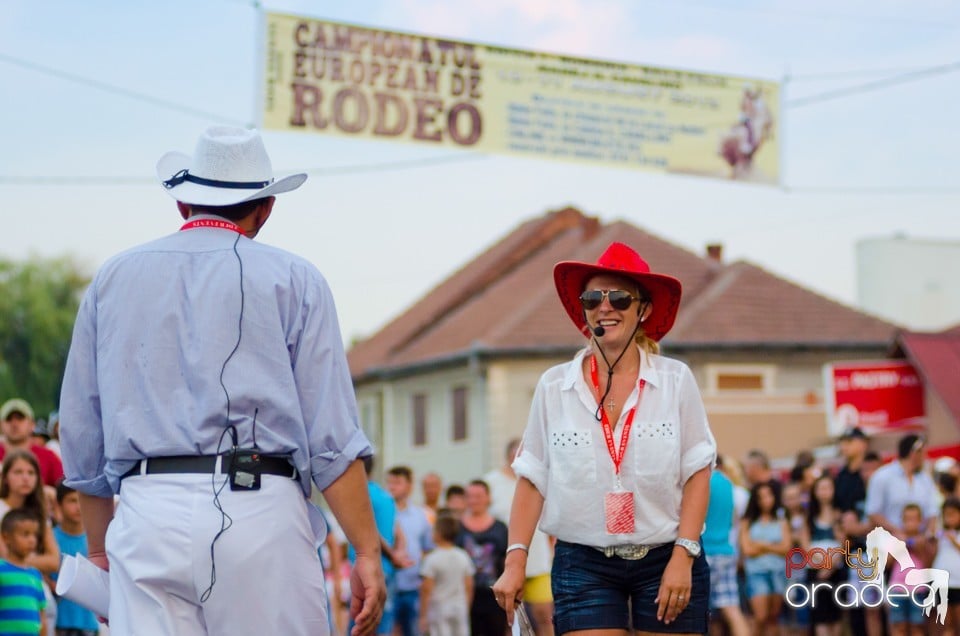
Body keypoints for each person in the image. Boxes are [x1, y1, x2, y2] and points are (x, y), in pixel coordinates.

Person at [58, 126, 385, 636]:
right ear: (265, 208)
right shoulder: (296, 279)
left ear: (183, 204)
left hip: (147, 509)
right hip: (260, 509)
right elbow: (332, 439)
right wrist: (366, 550)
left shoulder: (112, 278)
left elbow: (82, 434)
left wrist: (99, 550)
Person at [493, 242, 717, 635]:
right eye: (593, 298)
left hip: (666, 554)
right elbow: (532, 478)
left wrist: (684, 554)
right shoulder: (553, 387)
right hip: (583, 562)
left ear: (643, 309)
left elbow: (699, 470)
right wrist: (515, 562)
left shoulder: (675, 380)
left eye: (619, 298)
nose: (604, 307)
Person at [484, 438, 554, 636]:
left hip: (539, 559)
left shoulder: (542, 479)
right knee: (509, 619)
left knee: (545, 615)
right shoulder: (492, 482)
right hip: (505, 561)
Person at [385, 465, 434, 636]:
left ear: (409, 486)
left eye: (397, 482)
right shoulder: (383, 514)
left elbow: (428, 549)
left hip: (414, 588)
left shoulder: (420, 515)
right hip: (387, 587)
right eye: (389, 482)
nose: (392, 487)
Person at [703, 461, 749, 636]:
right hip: (725, 550)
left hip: (705, 550)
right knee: (732, 609)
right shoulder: (726, 482)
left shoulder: (703, 480)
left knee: (698, 611)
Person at [457, 479, 508, 636]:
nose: (473, 501)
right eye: (469, 496)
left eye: (478, 496)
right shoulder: (457, 527)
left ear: (488, 498)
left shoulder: (500, 527)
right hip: (464, 596)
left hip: (495, 598)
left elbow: (507, 561)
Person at [740, 482, 790, 636]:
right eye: (761, 497)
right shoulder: (747, 523)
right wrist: (774, 546)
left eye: (768, 496)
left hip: (777, 572)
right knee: (760, 616)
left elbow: (785, 548)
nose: (765, 500)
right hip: (756, 572)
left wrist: (762, 545)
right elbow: (748, 550)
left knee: (773, 617)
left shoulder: (781, 521)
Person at [865, 434, 938, 538]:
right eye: (923, 453)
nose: (925, 457)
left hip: (920, 545)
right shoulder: (882, 476)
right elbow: (873, 513)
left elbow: (932, 512)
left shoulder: (925, 479)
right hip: (890, 544)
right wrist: (897, 532)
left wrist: (928, 536)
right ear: (914, 453)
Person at [51, 482, 99, 636]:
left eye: (81, 500)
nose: (78, 506)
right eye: (72, 500)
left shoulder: (97, 539)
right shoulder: (50, 539)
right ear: (58, 504)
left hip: (90, 623)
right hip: (58, 623)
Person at [799, 475, 844, 636]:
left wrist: (831, 565)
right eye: (821, 488)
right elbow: (805, 544)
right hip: (815, 569)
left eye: (828, 488)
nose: (824, 492)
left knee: (835, 613)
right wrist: (823, 563)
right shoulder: (809, 516)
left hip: (836, 570)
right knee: (819, 614)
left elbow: (844, 542)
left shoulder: (839, 515)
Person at [419, 513, 474, 636]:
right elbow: (469, 585)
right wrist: (466, 606)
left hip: (439, 608)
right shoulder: (463, 556)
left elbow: (426, 589)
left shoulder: (431, 559)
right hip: (459, 606)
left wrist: (423, 615)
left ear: (438, 534)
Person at [888, 503, 934, 636]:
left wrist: (919, 546)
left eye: (914, 519)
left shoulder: (925, 540)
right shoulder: (895, 539)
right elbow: (887, 563)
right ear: (902, 521)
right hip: (897, 589)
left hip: (918, 589)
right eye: (907, 519)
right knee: (898, 626)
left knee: (917, 626)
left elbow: (928, 564)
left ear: (920, 521)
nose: (911, 523)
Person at [0, 509, 47, 636]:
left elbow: (41, 613)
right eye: (25, 534)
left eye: (34, 535)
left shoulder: (35, 574)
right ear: (6, 537)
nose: (32, 540)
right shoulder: (1, 569)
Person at [0, 399, 64, 488]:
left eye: (20, 418)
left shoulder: (48, 457)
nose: (14, 424)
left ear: (32, 424)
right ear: (1, 424)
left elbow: (65, 492)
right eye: (9, 419)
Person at [932, 497, 960, 634]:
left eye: (953, 514)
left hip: (958, 583)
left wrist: (954, 540)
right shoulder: (939, 534)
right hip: (942, 583)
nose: (949, 518)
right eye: (946, 515)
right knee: (945, 621)